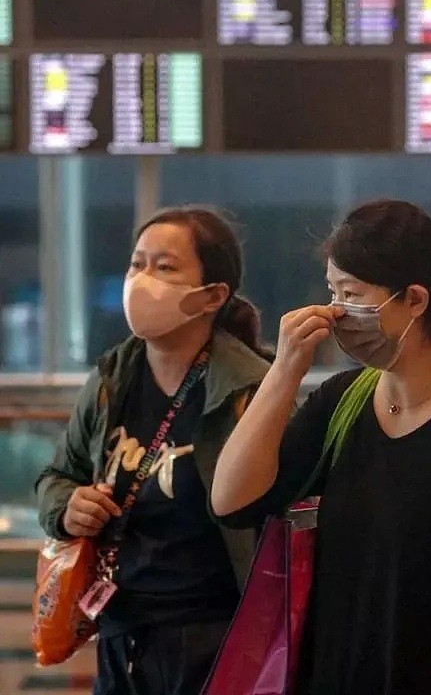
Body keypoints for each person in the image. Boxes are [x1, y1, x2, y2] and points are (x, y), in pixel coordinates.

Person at [211, 199, 431, 695]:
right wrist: (285, 371)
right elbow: (232, 500)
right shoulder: (342, 402)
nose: (333, 311)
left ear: (414, 300)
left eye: (350, 294)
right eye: (332, 291)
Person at [36, 206, 273, 695]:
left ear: (212, 296)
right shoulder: (111, 380)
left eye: (164, 267)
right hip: (120, 633)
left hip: (217, 638)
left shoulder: (249, 391)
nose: (142, 280)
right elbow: (57, 476)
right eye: (136, 263)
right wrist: (67, 506)